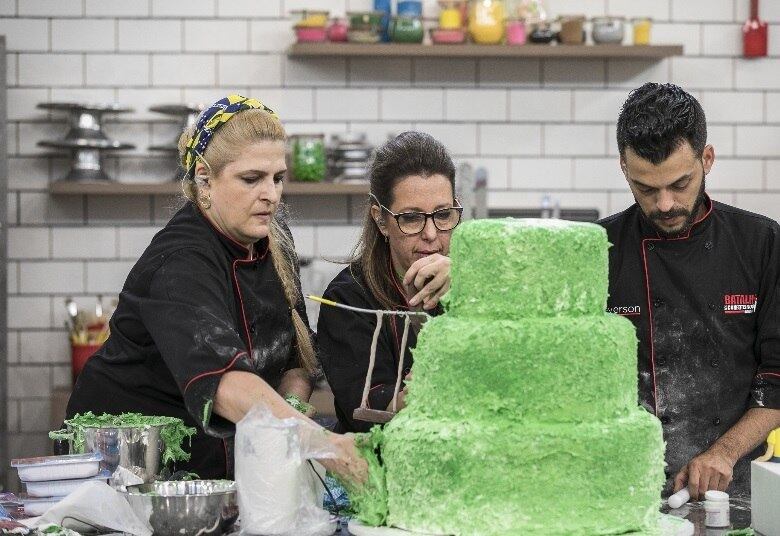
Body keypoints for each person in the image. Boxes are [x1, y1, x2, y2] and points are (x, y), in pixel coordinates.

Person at [67, 95, 365, 483]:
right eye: (251, 178)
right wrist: (325, 445)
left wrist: (287, 419)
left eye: (277, 178)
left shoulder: (273, 239)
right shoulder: (182, 260)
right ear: (205, 179)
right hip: (124, 461)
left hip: (212, 464)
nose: (271, 195)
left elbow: (297, 356)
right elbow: (226, 385)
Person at [598, 83, 780, 498]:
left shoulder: (762, 244)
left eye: (679, 184)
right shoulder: (599, 250)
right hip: (618, 492)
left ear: (707, 159)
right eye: (646, 188)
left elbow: (778, 377)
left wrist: (724, 452)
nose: (664, 204)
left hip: (732, 490)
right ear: (624, 168)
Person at [317, 132, 461, 433]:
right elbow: (371, 414)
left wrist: (470, 285)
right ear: (381, 220)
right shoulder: (347, 301)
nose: (431, 234)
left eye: (443, 215)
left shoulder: (473, 286)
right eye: (411, 218)